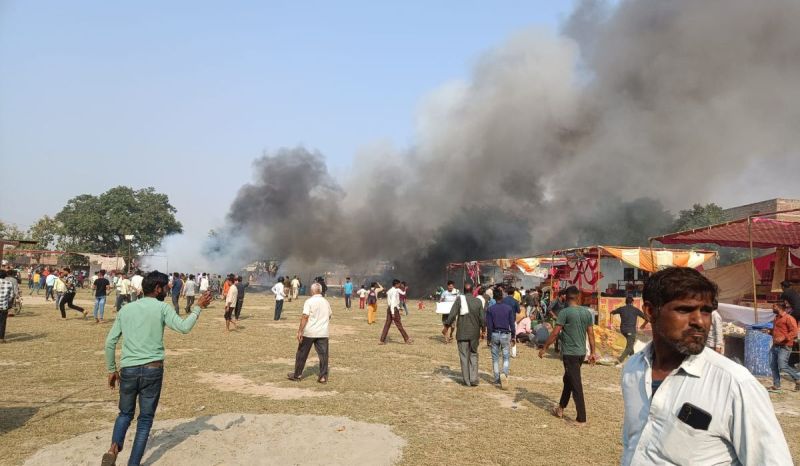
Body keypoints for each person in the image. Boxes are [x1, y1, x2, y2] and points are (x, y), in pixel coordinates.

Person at [621, 267, 792, 465]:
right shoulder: (633, 370)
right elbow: (633, 442)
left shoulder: (736, 385)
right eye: (684, 310)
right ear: (650, 312)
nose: (700, 322)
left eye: (706, 311)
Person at [101, 271, 211, 466]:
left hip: (128, 370)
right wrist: (197, 308)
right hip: (153, 370)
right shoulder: (162, 308)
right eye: (166, 287)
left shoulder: (126, 309)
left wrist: (111, 370)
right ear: (158, 288)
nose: (168, 290)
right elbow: (184, 328)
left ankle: (113, 449)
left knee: (125, 414)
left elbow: (110, 342)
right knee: (145, 420)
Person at [539, 286, 597, 425]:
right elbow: (591, 334)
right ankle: (560, 408)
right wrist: (593, 352)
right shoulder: (586, 313)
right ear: (578, 297)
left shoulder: (564, 313)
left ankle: (581, 418)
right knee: (568, 380)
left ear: (566, 297)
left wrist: (545, 347)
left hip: (570, 354)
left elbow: (555, 333)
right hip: (581, 353)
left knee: (575, 384)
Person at [287, 283, 332, 383]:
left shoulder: (309, 301)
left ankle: (297, 375)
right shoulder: (326, 302)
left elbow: (305, 316)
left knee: (302, 354)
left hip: (309, 332)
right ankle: (323, 377)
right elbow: (329, 315)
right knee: (323, 355)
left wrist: (300, 331)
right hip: (323, 332)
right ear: (320, 291)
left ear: (312, 291)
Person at [443, 283, 485, 386]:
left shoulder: (459, 300)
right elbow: (482, 319)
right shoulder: (478, 301)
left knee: (464, 356)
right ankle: (473, 379)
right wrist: (483, 330)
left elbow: (452, 314)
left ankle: (466, 381)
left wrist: (446, 326)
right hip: (474, 333)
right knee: (473, 354)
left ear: (464, 291)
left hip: (462, 333)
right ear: (472, 291)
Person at [765, 302, 800, 393]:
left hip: (785, 346)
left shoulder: (789, 318)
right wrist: (769, 332)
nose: (772, 308)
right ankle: (776, 385)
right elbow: (777, 331)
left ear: (780, 308)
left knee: (782, 366)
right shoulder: (776, 318)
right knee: (773, 365)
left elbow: (794, 332)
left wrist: (784, 337)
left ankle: (798, 378)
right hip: (775, 345)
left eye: (774, 306)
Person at [486, 287, 515, 389]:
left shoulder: (490, 309)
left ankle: (497, 378)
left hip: (494, 334)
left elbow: (489, 326)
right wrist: (513, 336)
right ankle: (505, 375)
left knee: (495, 358)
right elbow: (512, 324)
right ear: (502, 297)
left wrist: (488, 338)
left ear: (494, 297)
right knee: (506, 356)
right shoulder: (508, 308)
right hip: (505, 334)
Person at [611, 296, 649, 364]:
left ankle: (634, 360)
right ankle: (620, 360)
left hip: (623, 330)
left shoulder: (621, 309)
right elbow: (647, 319)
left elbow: (612, 312)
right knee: (629, 347)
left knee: (630, 344)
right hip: (631, 330)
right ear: (632, 302)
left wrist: (611, 324)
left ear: (625, 302)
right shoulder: (635, 310)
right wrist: (643, 325)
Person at [379, 279, 412, 344]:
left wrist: (405, 289)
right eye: (399, 284)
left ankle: (382, 340)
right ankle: (407, 339)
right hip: (393, 309)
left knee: (387, 325)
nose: (399, 285)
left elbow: (403, 293)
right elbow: (392, 303)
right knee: (399, 324)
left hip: (389, 309)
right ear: (396, 284)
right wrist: (393, 313)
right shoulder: (395, 291)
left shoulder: (390, 291)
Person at [0, 270, 14, 343]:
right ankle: (1, 338)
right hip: (4, 306)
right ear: (5, 276)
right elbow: (11, 296)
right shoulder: (9, 283)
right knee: (2, 322)